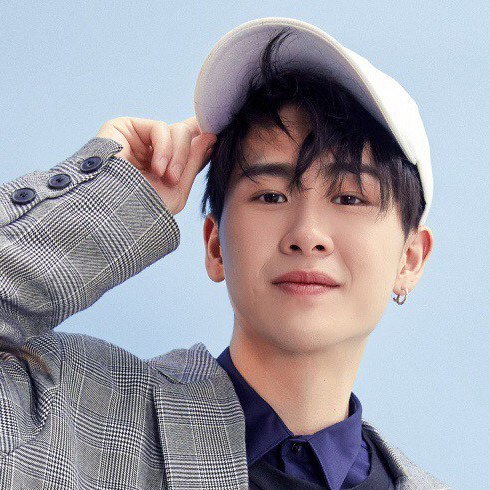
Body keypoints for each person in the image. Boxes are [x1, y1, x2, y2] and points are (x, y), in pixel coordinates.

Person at [0, 17, 449, 490]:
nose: (307, 234)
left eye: (350, 198)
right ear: (215, 245)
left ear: (410, 259)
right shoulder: (66, 415)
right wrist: (112, 198)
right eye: (271, 195)